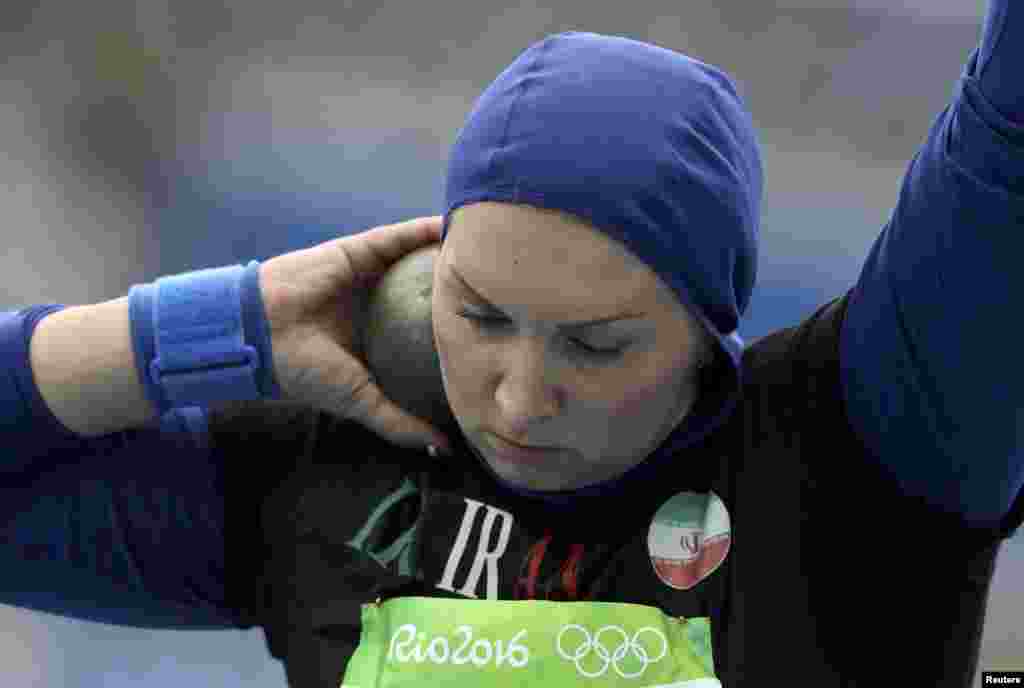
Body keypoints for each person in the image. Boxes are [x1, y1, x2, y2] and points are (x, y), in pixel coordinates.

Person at [3, 2, 1023, 686]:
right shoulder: (328, 457)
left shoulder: (866, 455)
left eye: (598, 346)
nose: (518, 401)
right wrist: (219, 324)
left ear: (708, 330)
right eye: (480, 316)